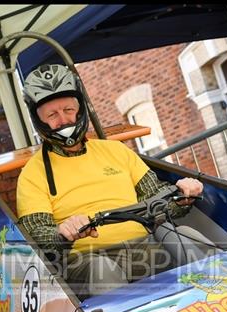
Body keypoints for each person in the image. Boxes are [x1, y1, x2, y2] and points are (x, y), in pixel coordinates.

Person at [16, 64, 211, 297]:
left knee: (186, 236)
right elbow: (36, 235)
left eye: (68, 109)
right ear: (39, 121)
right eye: (52, 115)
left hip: (143, 247)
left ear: (81, 109)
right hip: (85, 259)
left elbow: (158, 197)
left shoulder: (116, 151)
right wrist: (62, 232)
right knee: (103, 269)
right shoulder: (32, 173)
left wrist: (182, 197)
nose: (63, 120)